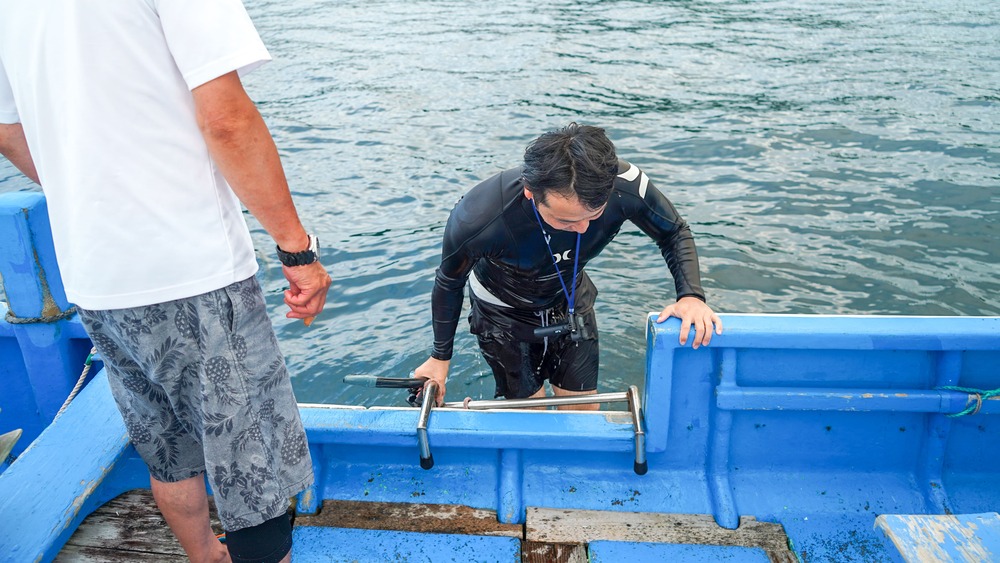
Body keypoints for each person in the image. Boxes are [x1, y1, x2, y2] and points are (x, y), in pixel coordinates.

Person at [0, 1, 332, 562]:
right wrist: (297, 248)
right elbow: (226, 117)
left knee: (165, 443)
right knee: (251, 461)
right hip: (191, 268)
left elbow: (9, 132)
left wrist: (94, 197)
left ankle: (204, 555)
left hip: (97, 275)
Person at [413, 123, 722, 411]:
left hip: (569, 299)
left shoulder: (625, 185)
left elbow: (673, 231)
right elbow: (449, 280)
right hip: (502, 312)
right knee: (529, 415)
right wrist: (441, 357)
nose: (583, 229)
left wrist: (691, 296)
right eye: (566, 220)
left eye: (594, 215)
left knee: (584, 413)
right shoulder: (481, 216)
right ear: (530, 192)